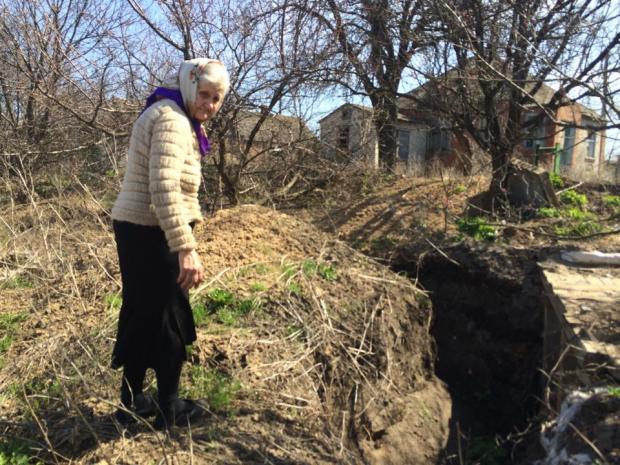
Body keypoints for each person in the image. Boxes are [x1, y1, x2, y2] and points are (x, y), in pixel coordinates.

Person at [110, 58, 229, 429]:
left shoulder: (171, 112)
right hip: (152, 230)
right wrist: (186, 247)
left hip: (138, 227)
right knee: (169, 316)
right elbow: (164, 189)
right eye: (204, 94)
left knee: (143, 312)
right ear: (189, 86)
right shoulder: (174, 121)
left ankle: (132, 401)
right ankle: (169, 407)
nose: (208, 104)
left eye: (216, 98)